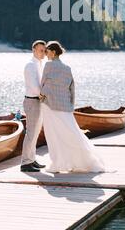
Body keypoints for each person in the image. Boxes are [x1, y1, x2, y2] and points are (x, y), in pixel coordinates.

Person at [40, 41, 106, 173]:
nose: (46, 55)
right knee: (72, 132)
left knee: (54, 135)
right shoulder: (67, 68)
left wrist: (41, 95)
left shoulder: (48, 65)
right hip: (65, 106)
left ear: (53, 52)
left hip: (50, 104)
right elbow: (72, 88)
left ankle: (57, 164)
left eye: (47, 51)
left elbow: (44, 84)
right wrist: (71, 105)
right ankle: (87, 160)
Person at [20, 40, 47, 172]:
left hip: (38, 101)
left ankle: (31, 159)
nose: (43, 53)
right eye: (41, 50)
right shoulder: (30, 65)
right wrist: (46, 97)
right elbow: (34, 86)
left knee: (36, 132)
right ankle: (25, 163)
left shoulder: (40, 65)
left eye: (44, 50)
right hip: (32, 101)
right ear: (34, 50)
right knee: (31, 132)